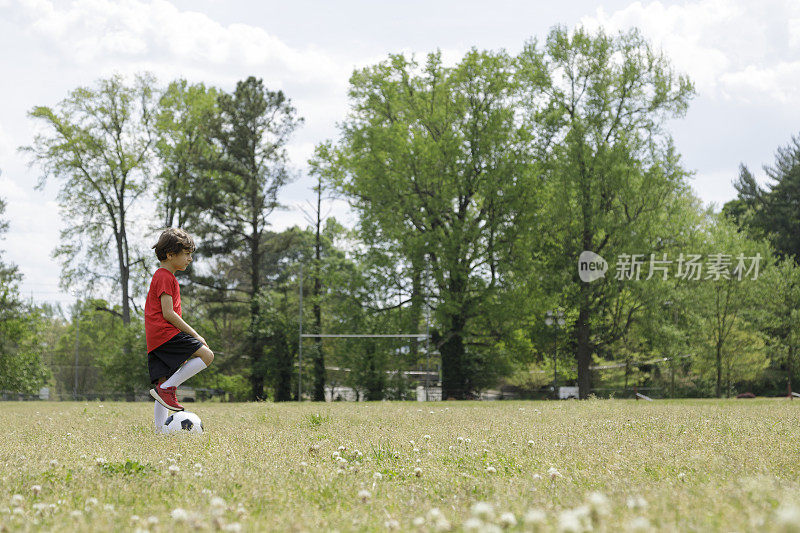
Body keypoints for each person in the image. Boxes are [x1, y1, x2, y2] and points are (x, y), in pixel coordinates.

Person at [145, 228, 213, 432]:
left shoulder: (162, 276)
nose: (190, 258)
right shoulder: (166, 277)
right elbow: (168, 313)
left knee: (161, 383)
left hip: (155, 337)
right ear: (169, 254)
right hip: (165, 332)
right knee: (206, 355)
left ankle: (159, 431)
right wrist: (194, 334)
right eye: (186, 253)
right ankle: (168, 389)